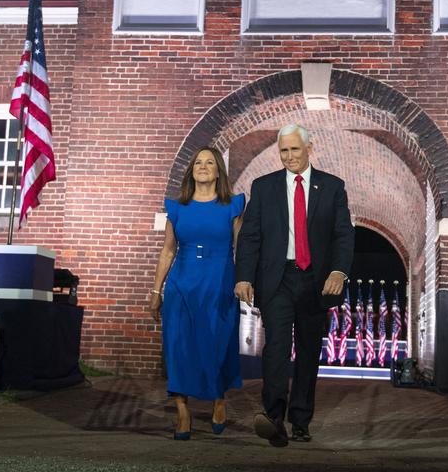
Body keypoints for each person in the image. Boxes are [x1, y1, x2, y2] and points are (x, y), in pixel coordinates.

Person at [235, 124, 354, 447]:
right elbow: (250, 237)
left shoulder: (332, 187)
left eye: (295, 149)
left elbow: (343, 235)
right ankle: (274, 419)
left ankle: (300, 420)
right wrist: (244, 276)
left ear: (309, 148)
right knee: (276, 346)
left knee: (308, 350)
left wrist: (338, 272)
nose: (289, 156)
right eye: (284, 150)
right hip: (278, 279)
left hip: (316, 281)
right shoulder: (264, 187)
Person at [149, 147, 245, 440]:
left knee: (218, 344)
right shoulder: (177, 208)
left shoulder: (233, 206)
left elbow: (242, 250)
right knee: (178, 346)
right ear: (191, 170)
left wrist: (245, 281)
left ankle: (219, 400)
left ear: (218, 172)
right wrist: (156, 290)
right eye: (198, 162)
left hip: (220, 283)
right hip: (181, 284)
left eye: (210, 162)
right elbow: (168, 251)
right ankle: (182, 412)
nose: (203, 166)